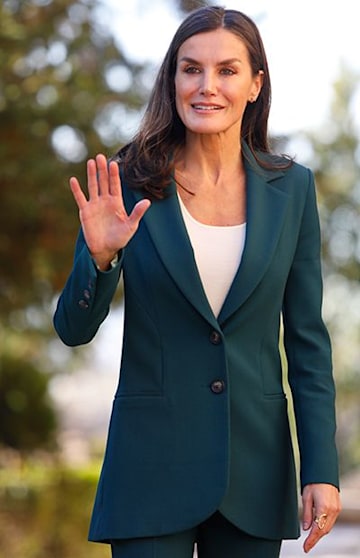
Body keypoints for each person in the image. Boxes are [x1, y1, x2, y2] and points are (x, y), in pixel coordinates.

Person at [53, 6, 341, 558]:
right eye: (191, 69)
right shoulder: (128, 181)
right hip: (149, 470)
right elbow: (72, 329)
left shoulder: (292, 191)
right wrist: (100, 256)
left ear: (256, 84)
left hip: (254, 471)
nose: (207, 86)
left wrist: (321, 470)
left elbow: (307, 343)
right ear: (173, 79)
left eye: (227, 71)